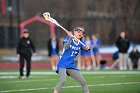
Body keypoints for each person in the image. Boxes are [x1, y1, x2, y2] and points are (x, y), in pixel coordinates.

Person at [53, 27, 90, 93]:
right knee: (63, 81)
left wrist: (86, 49)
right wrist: (70, 38)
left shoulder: (80, 42)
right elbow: (66, 47)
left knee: (83, 82)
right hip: (63, 63)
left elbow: (84, 49)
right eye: (79, 31)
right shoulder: (68, 38)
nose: (81, 33)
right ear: (74, 32)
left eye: (82, 32)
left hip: (71, 65)